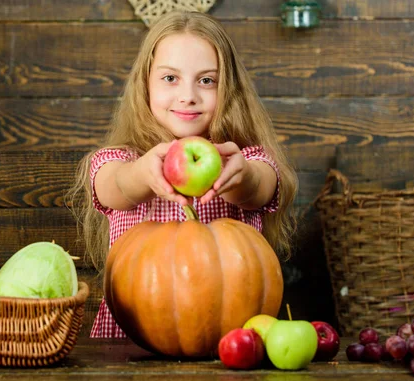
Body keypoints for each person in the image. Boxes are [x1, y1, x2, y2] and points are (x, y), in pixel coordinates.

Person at [68, 11, 298, 338]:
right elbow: (112, 186)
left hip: (229, 339)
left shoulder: (244, 159)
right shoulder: (122, 160)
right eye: (170, 78)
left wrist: (240, 177)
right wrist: (141, 175)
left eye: (206, 80)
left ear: (229, 89)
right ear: (144, 84)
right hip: (130, 342)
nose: (188, 95)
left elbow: (261, 185)